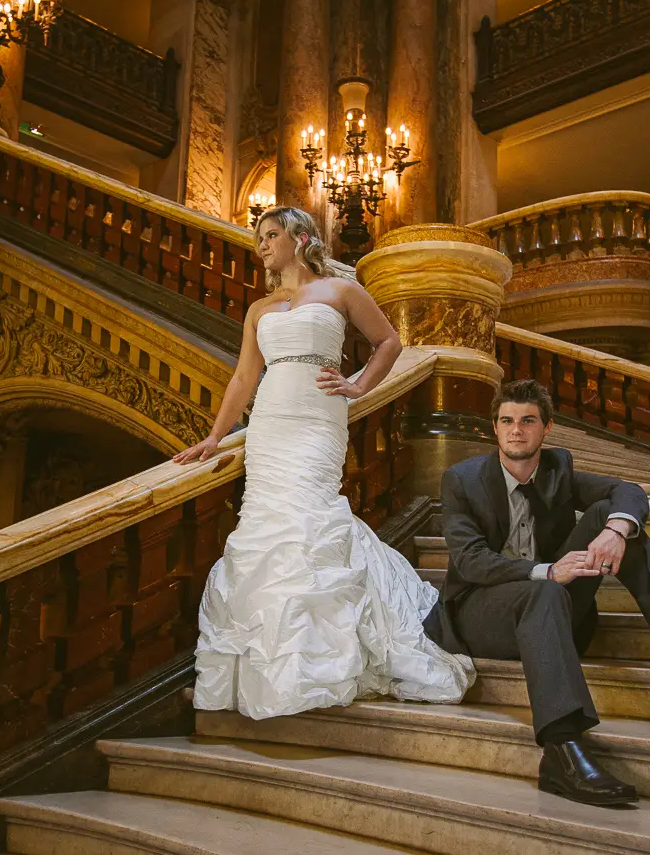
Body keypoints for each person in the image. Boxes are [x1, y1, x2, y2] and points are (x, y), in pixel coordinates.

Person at [173, 206, 473, 719]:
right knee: (264, 529)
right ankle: (277, 669)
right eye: (258, 237)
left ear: (301, 237)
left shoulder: (341, 291)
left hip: (318, 418)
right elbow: (245, 377)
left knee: (310, 519)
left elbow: (390, 342)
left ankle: (324, 658)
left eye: (271, 235)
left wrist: (357, 386)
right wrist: (215, 436)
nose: (262, 245)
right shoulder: (259, 309)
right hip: (270, 420)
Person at [434, 380, 650, 807]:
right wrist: (548, 570)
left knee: (615, 519)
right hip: (481, 612)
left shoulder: (558, 470)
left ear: (546, 428)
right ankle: (561, 749)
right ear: (494, 429)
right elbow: (470, 560)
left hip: (553, 610)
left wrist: (614, 531)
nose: (517, 430)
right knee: (545, 591)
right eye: (507, 421)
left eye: (528, 420)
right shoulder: (462, 480)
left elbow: (629, 492)